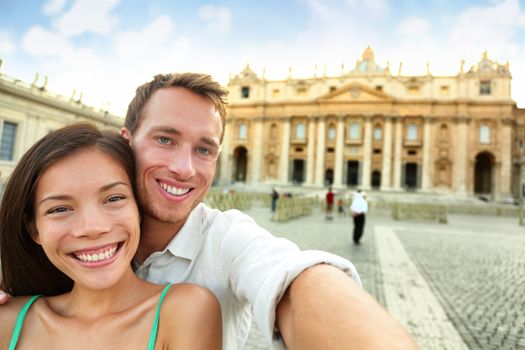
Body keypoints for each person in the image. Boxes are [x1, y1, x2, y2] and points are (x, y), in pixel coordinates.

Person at [1, 73, 417, 349]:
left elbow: (294, 277)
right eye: (165, 139)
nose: (185, 168)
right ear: (125, 141)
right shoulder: (24, 295)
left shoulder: (225, 244)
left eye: (204, 149)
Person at [0, 124, 222, 349]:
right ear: (34, 230)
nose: (92, 227)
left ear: (138, 209)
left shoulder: (185, 311)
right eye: (59, 209)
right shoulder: (7, 320)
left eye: (114, 198)